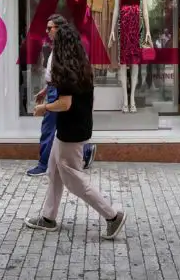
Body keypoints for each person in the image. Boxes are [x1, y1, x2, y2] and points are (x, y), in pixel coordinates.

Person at [24, 23, 126, 240]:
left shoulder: (65, 70)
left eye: (55, 40)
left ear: (63, 44)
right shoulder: (81, 64)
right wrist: (47, 90)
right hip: (77, 126)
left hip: (70, 132)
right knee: (53, 170)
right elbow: (73, 94)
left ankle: (112, 216)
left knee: (74, 180)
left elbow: (65, 103)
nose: (52, 43)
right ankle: (48, 218)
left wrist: (44, 108)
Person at [26, 14, 96, 176]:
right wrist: (46, 89)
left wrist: (45, 105)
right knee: (61, 125)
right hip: (54, 88)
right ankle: (84, 151)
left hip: (59, 90)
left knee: (50, 127)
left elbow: (64, 77)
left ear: (59, 29)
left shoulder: (64, 50)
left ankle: (44, 164)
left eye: (50, 28)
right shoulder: (61, 48)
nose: (47, 31)